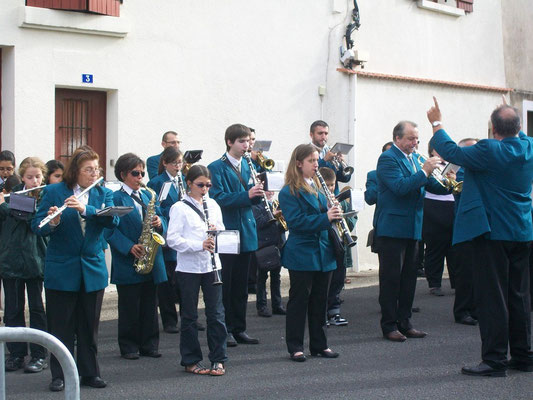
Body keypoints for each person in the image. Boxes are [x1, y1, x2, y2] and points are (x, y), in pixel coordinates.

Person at [427, 97, 533, 377]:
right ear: (518, 127)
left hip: (493, 232)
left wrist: (437, 122)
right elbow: (518, 133)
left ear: (493, 130)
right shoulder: (529, 146)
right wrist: (511, 119)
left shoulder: (489, 149)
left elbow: (450, 150)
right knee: (520, 296)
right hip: (522, 231)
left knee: (492, 298)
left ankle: (495, 360)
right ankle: (523, 356)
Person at [32, 147, 118, 391]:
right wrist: (54, 222)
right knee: (61, 327)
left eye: (96, 169)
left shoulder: (103, 192)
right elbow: (38, 227)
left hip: (92, 267)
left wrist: (85, 210)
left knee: (89, 327)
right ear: (75, 171)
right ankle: (59, 375)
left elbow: (113, 220)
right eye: (88, 170)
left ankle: (90, 373)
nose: (94, 174)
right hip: (62, 269)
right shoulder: (53, 191)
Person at [375, 120, 450, 342]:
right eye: (410, 138)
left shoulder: (415, 158)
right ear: (397, 138)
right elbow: (400, 187)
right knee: (391, 279)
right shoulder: (388, 159)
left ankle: (405, 323)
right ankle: (389, 325)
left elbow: (429, 185)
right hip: (392, 229)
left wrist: (447, 180)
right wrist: (425, 170)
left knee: (409, 278)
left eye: (416, 138)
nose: (415, 143)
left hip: (413, 228)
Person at [279, 144, 340, 362]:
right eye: (312, 161)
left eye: (317, 160)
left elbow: (325, 215)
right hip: (302, 252)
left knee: (320, 300)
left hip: (324, 251)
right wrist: (327, 218)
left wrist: (334, 213)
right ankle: (295, 346)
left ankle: (320, 344)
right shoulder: (288, 191)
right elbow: (296, 222)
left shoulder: (318, 186)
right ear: (299, 163)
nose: (316, 165)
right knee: (299, 301)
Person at [104, 153, 167, 361]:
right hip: (129, 258)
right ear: (123, 174)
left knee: (150, 305)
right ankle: (129, 346)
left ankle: (149, 344)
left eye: (142, 172)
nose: (140, 177)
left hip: (151, 257)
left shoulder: (148, 195)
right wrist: (129, 247)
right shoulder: (115, 197)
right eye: (135, 173)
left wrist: (160, 222)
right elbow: (109, 230)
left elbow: (162, 219)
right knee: (130, 306)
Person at [166, 165, 228, 376]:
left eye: (208, 185)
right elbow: (172, 239)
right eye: (200, 185)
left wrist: (216, 233)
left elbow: (221, 230)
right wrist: (198, 244)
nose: (205, 189)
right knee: (190, 316)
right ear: (190, 183)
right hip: (188, 268)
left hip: (212, 265)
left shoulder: (213, 204)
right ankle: (191, 360)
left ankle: (218, 359)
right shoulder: (179, 208)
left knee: (216, 314)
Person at [208, 123, 262, 347]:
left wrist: (260, 194)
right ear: (230, 142)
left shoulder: (249, 165)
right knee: (227, 286)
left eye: (248, 141)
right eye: (241, 141)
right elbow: (218, 197)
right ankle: (226, 329)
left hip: (247, 231)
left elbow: (251, 197)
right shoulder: (216, 167)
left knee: (242, 285)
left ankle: (240, 328)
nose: (246, 145)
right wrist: (246, 195)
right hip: (228, 232)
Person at [0, 157, 48, 373]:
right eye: (30, 177)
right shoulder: (12, 194)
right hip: (11, 259)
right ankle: (16, 353)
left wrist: (7, 205)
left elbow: (30, 217)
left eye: (38, 176)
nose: (35, 181)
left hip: (36, 258)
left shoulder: (47, 195)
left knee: (37, 309)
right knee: (12, 310)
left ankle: (39, 355)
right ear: (22, 177)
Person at [148, 147, 185, 334]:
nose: (178, 167)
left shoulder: (184, 180)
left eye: (180, 163)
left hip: (183, 235)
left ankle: (187, 316)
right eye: (174, 163)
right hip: (167, 232)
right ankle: (170, 320)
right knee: (167, 280)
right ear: (165, 163)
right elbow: (156, 208)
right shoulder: (157, 182)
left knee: (183, 279)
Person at [318, 167, 356, 326]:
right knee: (324, 282)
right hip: (326, 244)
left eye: (333, 185)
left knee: (338, 279)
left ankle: (334, 312)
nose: (331, 188)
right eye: (327, 185)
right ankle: (321, 314)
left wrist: (348, 216)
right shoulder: (318, 201)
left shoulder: (338, 200)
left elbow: (351, 223)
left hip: (339, 244)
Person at [450, 138, 479, 326]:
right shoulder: (458, 171)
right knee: (466, 273)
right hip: (465, 227)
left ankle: (476, 309)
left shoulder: (477, 168)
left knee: (479, 272)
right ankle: (461, 311)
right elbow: (462, 190)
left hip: (480, 227)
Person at [422, 145, 457, 297]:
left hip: (451, 205)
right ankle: (434, 283)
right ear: (432, 151)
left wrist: (453, 179)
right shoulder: (428, 164)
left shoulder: (451, 164)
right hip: (433, 206)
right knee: (435, 247)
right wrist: (447, 183)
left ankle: (457, 282)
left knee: (454, 247)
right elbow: (432, 185)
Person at [254, 191, 286, 318]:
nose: (271, 193)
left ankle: (277, 305)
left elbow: (283, 225)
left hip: (277, 243)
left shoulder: (276, 204)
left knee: (276, 277)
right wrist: (272, 215)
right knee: (261, 277)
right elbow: (258, 223)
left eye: (272, 190)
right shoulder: (257, 205)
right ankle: (261, 306)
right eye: (268, 190)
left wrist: (283, 219)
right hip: (264, 244)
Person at [309, 120, 353, 195]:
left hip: (334, 198)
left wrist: (342, 163)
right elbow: (310, 174)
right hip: (315, 196)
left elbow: (345, 179)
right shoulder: (306, 151)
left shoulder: (331, 150)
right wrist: (324, 160)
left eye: (326, 133)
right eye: (320, 133)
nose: (324, 137)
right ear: (311, 135)